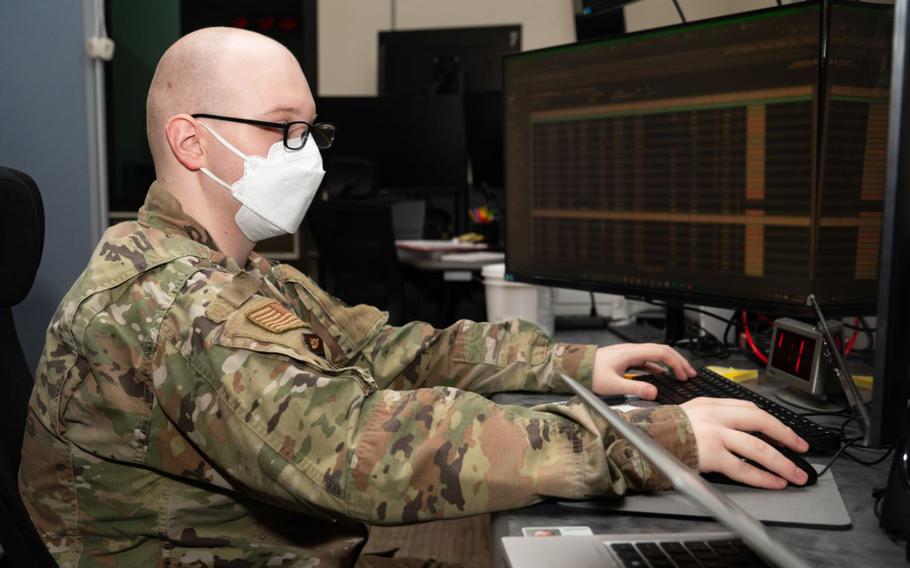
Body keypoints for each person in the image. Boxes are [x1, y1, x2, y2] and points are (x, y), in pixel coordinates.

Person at [18, 27, 810, 567]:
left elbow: (403, 352)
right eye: (281, 129)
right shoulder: (174, 301)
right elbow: (359, 449)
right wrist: (648, 442)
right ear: (193, 140)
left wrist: (580, 362)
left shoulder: (243, 274)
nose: (307, 156)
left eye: (311, 132)